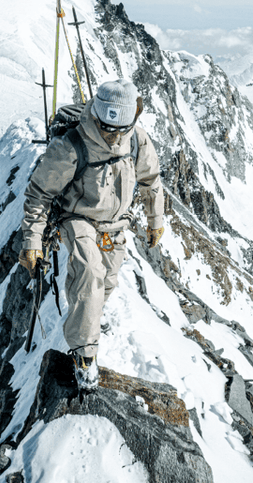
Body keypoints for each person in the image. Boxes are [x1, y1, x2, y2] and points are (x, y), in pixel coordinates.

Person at [18, 80, 165, 390]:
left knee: (106, 281)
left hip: (115, 223)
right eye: (106, 127)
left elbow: (151, 179)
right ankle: (85, 355)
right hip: (78, 217)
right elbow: (39, 194)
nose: (111, 135)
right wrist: (33, 241)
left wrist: (156, 220)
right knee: (89, 271)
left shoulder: (136, 140)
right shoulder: (72, 145)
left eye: (118, 130)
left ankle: (90, 316)